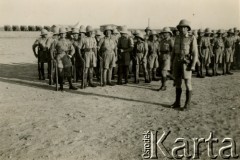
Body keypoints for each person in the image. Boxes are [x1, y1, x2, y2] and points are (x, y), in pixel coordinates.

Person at [171, 19, 198, 111]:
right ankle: (177, 102)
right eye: (181, 27)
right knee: (178, 82)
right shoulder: (177, 37)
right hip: (177, 61)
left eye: (184, 27)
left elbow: (195, 53)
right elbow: (173, 51)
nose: (182, 29)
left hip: (186, 62)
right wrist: (172, 62)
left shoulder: (191, 38)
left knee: (187, 82)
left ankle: (187, 104)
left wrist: (193, 64)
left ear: (187, 28)